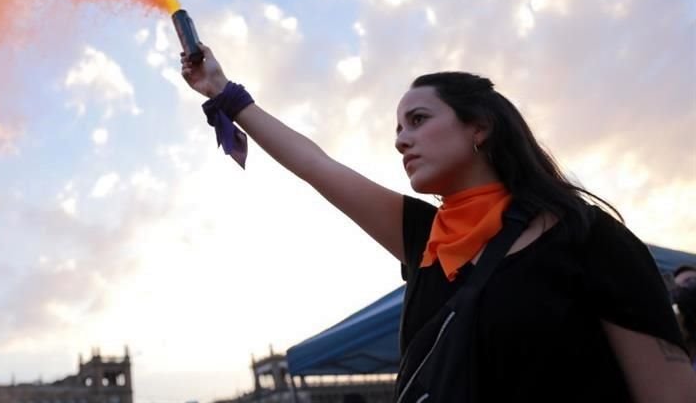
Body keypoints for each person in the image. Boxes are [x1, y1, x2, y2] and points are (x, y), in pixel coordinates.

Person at [180, 44, 696, 403]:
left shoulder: (588, 236)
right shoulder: (426, 238)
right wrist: (222, 92)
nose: (401, 139)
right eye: (398, 128)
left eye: (419, 120)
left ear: (480, 128)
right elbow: (318, 167)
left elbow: (668, 394)